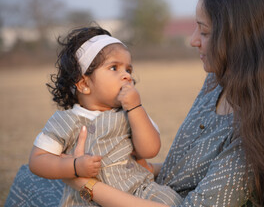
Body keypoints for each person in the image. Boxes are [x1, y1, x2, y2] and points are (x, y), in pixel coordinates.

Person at [5, 0, 264, 207]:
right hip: (146, 188)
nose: (192, 40)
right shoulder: (216, 83)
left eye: (203, 31)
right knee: (32, 176)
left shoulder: (253, 141)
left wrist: (86, 185)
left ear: (239, 39)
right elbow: (182, 166)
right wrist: (127, 168)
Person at [27, 26, 182, 206]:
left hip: (140, 193)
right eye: (114, 68)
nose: (126, 76)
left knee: (170, 200)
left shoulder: (131, 113)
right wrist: (74, 167)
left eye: (128, 70)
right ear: (84, 84)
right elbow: (37, 161)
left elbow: (149, 150)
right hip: (87, 201)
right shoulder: (66, 120)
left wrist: (136, 108)